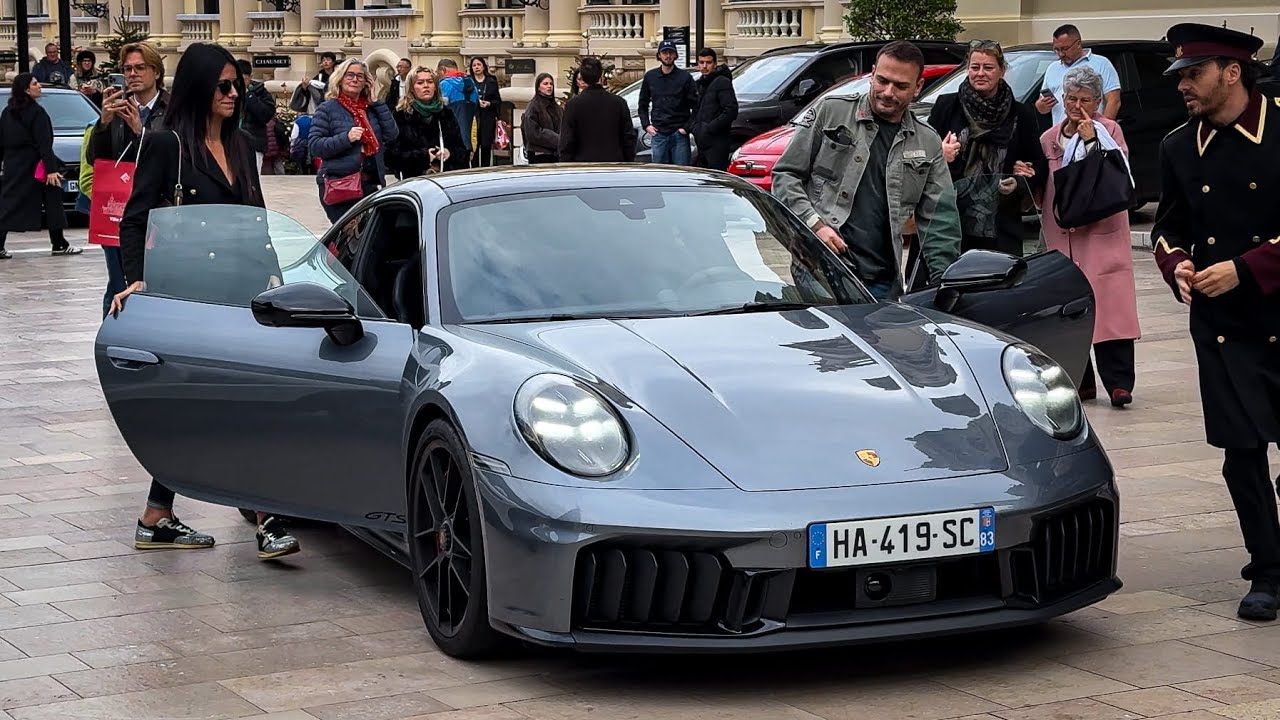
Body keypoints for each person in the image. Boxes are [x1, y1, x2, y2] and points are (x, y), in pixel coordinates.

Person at [108, 42, 300, 560]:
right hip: (190, 297)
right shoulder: (166, 142)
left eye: (237, 83)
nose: (234, 93)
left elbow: (254, 218)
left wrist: (276, 278)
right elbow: (135, 218)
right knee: (216, 406)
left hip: (244, 296)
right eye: (223, 85)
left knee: (235, 403)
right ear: (198, 87)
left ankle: (159, 514)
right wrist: (139, 281)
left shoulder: (240, 144)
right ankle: (265, 516)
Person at [1151, 22, 1280, 621]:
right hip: (1222, 324)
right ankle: (1268, 569)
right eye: (1178, 75)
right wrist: (1176, 264)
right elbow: (1165, 226)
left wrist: (1248, 268)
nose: (1182, 85)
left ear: (1232, 72)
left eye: (1193, 74)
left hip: (1279, 311)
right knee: (1240, 450)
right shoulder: (1179, 146)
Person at [772, 41, 961, 302]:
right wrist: (815, 225)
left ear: (918, 87)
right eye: (882, 80)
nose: (888, 91)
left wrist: (945, 284)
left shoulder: (927, 141)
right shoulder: (831, 112)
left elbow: (940, 219)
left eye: (901, 86)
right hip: (820, 270)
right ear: (872, 73)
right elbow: (785, 175)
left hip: (883, 284)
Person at [1039, 66, 1140, 407]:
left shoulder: (1111, 130)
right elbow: (1046, 185)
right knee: (1072, 310)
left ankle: (1119, 383)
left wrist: (1091, 140)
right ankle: (1080, 381)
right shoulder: (1049, 137)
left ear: (1098, 101)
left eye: (1085, 100)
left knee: (1113, 310)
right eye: (1071, 98)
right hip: (1065, 234)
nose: (1077, 105)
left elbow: (1118, 171)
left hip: (1103, 233)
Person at [928, 39, 1046, 256]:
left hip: (1001, 226)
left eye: (988, 67)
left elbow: (1038, 165)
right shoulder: (946, 106)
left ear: (1002, 70)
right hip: (951, 224)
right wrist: (940, 155)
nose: (980, 73)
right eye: (975, 67)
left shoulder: (1021, 114)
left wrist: (1021, 180)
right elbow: (921, 157)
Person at [0, 74, 83, 260]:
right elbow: (44, 143)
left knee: (9, 204)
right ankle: (59, 244)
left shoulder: (7, 112)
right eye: (35, 84)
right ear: (27, 90)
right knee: (52, 202)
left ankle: (58, 242)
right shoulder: (37, 113)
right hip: (38, 166)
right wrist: (52, 169)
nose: (39, 87)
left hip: (14, 165)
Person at [309, 58, 398, 223]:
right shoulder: (328, 109)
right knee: (348, 240)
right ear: (340, 79)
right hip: (341, 185)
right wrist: (346, 138)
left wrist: (376, 102)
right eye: (349, 75)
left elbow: (392, 134)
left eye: (360, 76)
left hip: (371, 183)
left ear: (366, 82)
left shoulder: (371, 109)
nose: (355, 79)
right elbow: (315, 146)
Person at [90, 42, 168, 165]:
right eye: (127, 69)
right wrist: (103, 125)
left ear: (156, 73)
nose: (132, 74)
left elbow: (177, 156)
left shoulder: (172, 109)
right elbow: (94, 159)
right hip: (122, 182)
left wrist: (140, 132)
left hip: (159, 183)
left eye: (140, 68)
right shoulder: (118, 108)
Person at [1035, 24, 1121, 126]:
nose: (1060, 54)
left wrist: (1104, 130)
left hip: (1091, 133)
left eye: (1065, 49)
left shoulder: (1101, 64)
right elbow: (1041, 105)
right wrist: (1042, 106)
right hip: (1062, 135)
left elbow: (1114, 101)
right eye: (1056, 50)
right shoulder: (1052, 68)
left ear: (1078, 44)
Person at [388, 67, 466, 176]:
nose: (426, 86)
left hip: (444, 178)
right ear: (411, 88)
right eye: (420, 83)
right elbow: (390, 156)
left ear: (435, 87)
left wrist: (449, 153)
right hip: (414, 180)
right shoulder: (401, 115)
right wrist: (423, 156)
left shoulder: (446, 114)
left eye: (430, 82)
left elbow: (462, 150)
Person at [559, 57, 636, 163]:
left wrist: (566, 164)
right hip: (614, 165)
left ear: (583, 77)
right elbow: (628, 137)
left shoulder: (573, 105)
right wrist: (627, 161)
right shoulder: (619, 103)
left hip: (583, 166)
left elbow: (567, 140)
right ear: (600, 75)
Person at [637, 40, 698, 165]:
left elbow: (696, 106)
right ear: (659, 55)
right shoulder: (650, 77)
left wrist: (686, 128)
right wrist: (646, 125)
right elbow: (642, 104)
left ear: (676, 55)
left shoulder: (685, 77)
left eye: (671, 52)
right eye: (664, 52)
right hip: (658, 133)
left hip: (679, 133)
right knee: (659, 174)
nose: (668, 56)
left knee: (682, 173)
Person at [690, 47, 738, 171]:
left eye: (708, 62)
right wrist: (694, 127)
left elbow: (731, 110)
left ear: (715, 64)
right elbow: (696, 109)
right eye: (701, 62)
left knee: (716, 179)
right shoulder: (700, 84)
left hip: (717, 141)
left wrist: (710, 128)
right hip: (702, 141)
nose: (705, 66)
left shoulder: (722, 82)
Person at [236, 59, 277, 172]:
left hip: (253, 142)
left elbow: (266, 114)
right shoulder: (228, 91)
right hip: (231, 143)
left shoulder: (260, 92)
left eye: (243, 79)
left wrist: (249, 96)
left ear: (250, 77)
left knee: (252, 179)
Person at [436, 59, 475, 157]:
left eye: (438, 73)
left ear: (443, 70)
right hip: (471, 137)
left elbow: (438, 107)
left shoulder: (444, 84)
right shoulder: (472, 83)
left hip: (452, 143)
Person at [468, 57, 501, 167]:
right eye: (474, 65)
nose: (476, 67)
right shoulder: (468, 81)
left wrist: (489, 104)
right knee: (474, 146)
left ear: (483, 66)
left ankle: (486, 169)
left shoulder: (491, 81)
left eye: (479, 64)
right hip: (473, 117)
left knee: (486, 146)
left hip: (487, 118)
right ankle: (475, 170)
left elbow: (498, 101)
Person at [522, 73, 561, 164]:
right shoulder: (533, 106)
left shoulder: (557, 107)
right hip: (539, 154)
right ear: (538, 87)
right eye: (545, 84)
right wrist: (556, 139)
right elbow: (532, 132)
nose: (549, 86)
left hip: (554, 154)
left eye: (551, 84)